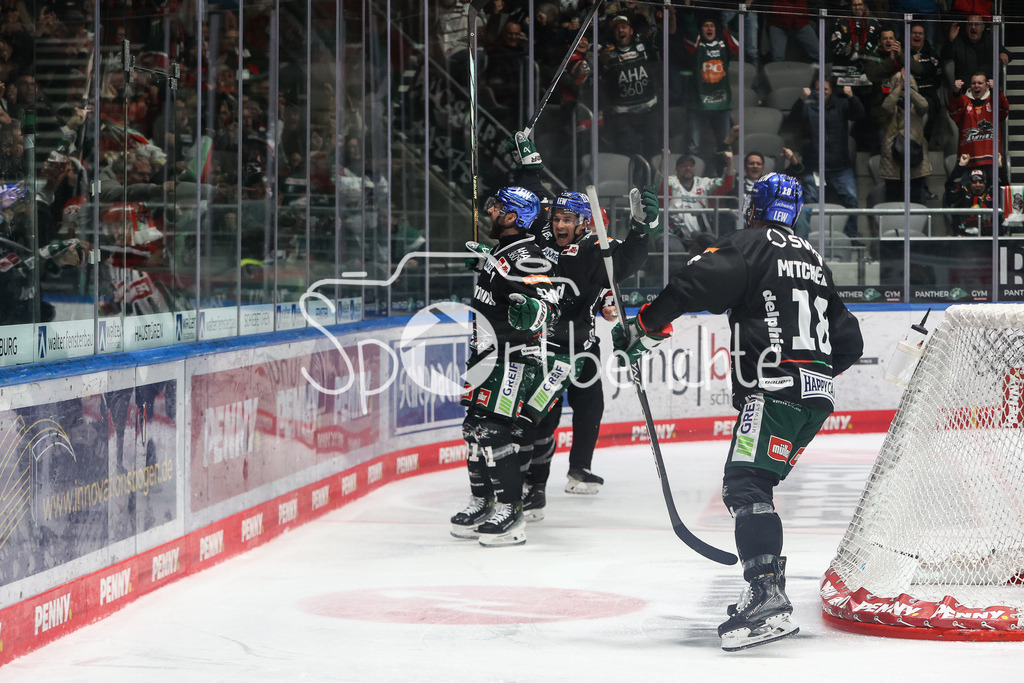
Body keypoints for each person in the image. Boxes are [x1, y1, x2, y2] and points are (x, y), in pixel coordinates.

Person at [612, 172, 864, 651]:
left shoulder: (753, 244)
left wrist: (644, 324)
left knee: (746, 485)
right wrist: (811, 372)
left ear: (755, 206)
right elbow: (850, 341)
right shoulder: (811, 258)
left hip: (772, 389)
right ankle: (768, 587)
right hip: (814, 394)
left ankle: (767, 598)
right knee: (756, 485)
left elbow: (694, 283)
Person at [521, 187, 655, 519]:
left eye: (568, 220)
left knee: (590, 406)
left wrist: (640, 228)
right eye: (557, 219)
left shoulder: (593, 248)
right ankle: (532, 487)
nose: (560, 225)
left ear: (583, 224)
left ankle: (579, 468)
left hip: (583, 349)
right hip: (546, 351)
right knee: (543, 419)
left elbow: (626, 262)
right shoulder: (541, 241)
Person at [450, 185, 564, 547]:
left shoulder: (527, 255)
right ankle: (482, 501)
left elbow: (549, 300)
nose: (491, 211)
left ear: (514, 217)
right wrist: (488, 261)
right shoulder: (502, 251)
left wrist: (534, 311)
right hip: (483, 355)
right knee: (473, 430)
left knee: (496, 433)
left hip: (512, 357)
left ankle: (511, 511)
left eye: (499, 208)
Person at [794, 77, 862, 239]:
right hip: (814, 166)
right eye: (818, 89)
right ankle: (808, 239)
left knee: (852, 200)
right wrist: (801, 99)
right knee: (809, 202)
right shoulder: (808, 105)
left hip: (840, 166)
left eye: (825, 89)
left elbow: (859, 114)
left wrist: (852, 97)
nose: (822, 92)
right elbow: (794, 118)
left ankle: (851, 238)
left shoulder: (841, 104)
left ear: (830, 90)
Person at [598, 14, 660, 158]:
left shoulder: (643, 44)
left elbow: (665, 39)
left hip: (648, 108)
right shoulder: (607, 52)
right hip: (622, 113)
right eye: (617, 28)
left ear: (631, 31)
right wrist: (602, 62)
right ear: (614, 33)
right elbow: (600, 78)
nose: (621, 31)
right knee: (628, 150)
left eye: (624, 27)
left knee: (653, 147)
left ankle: (653, 179)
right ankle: (632, 179)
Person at [683, 16, 738, 160]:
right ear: (700, 30)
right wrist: (687, 9)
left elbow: (736, 27)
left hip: (721, 105)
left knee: (725, 144)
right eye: (705, 25)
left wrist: (744, 10)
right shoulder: (697, 46)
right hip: (698, 105)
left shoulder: (723, 45)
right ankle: (691, 176)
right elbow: (689, 26)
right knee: (693, 147)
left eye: (712, 26)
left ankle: (726, 176)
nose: (709, 28)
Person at [878, 70, 932, 204]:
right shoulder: (890, 102)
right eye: (899, 84)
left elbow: (924, 106)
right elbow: (886, 108)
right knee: (893, 200)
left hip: (914, 156)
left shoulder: (916, 105)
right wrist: (897, 89)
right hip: (892, 158)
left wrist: (909, 90)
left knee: (915, 200)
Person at [666, 152, 735, 241]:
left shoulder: (703, 183)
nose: (688, 168)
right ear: (676, 168)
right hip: (674, 232)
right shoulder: (671, 181)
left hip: (700, 234)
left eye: (691, 166)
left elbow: (726, 184)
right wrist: (664, 159)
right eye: (684, 166)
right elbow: (660, 185)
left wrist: (730, 162)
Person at [948, 71, 1009, 173]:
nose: (976, 86)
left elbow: (1004, 111)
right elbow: (954, 113)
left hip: (991, 159)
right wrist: (955, 93)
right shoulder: (963, 100)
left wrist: (997, 91)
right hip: (967, 160)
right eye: (973, 83)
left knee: (995, 186)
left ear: (986, 86)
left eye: (980, 83)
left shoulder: (993, 101)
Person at [943, 152, 1007, 236]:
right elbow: (950, 185)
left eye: (981, 182)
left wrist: (999, 167)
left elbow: (1005, 188)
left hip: (989, 238)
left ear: (985, 183)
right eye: (974, 182)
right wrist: (960, 167)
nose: (978, 185)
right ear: (969, 184)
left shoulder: (992, 194)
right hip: (964, 238)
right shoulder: (962, 194)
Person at [940, 14, 1010, 85]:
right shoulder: (959, 40)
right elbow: (944, 56)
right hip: (965, 87)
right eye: (970, 24)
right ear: (966, 27)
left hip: (986, 86)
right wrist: (950, 41)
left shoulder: (989, 39)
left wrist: (1003, 53)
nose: (973, 27)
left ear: (983, 27)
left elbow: (1006, 53)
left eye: (976, 24)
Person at [907, 22, 942, 144]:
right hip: (908, 90)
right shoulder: (904, 52)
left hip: (927, 90)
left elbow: (937, 74)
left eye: (920, 33)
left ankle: (925, 141)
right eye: (914, 33)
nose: (917, 36)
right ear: (909, 35)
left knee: (933, 106)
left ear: (924, 36)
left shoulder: (931, 53)